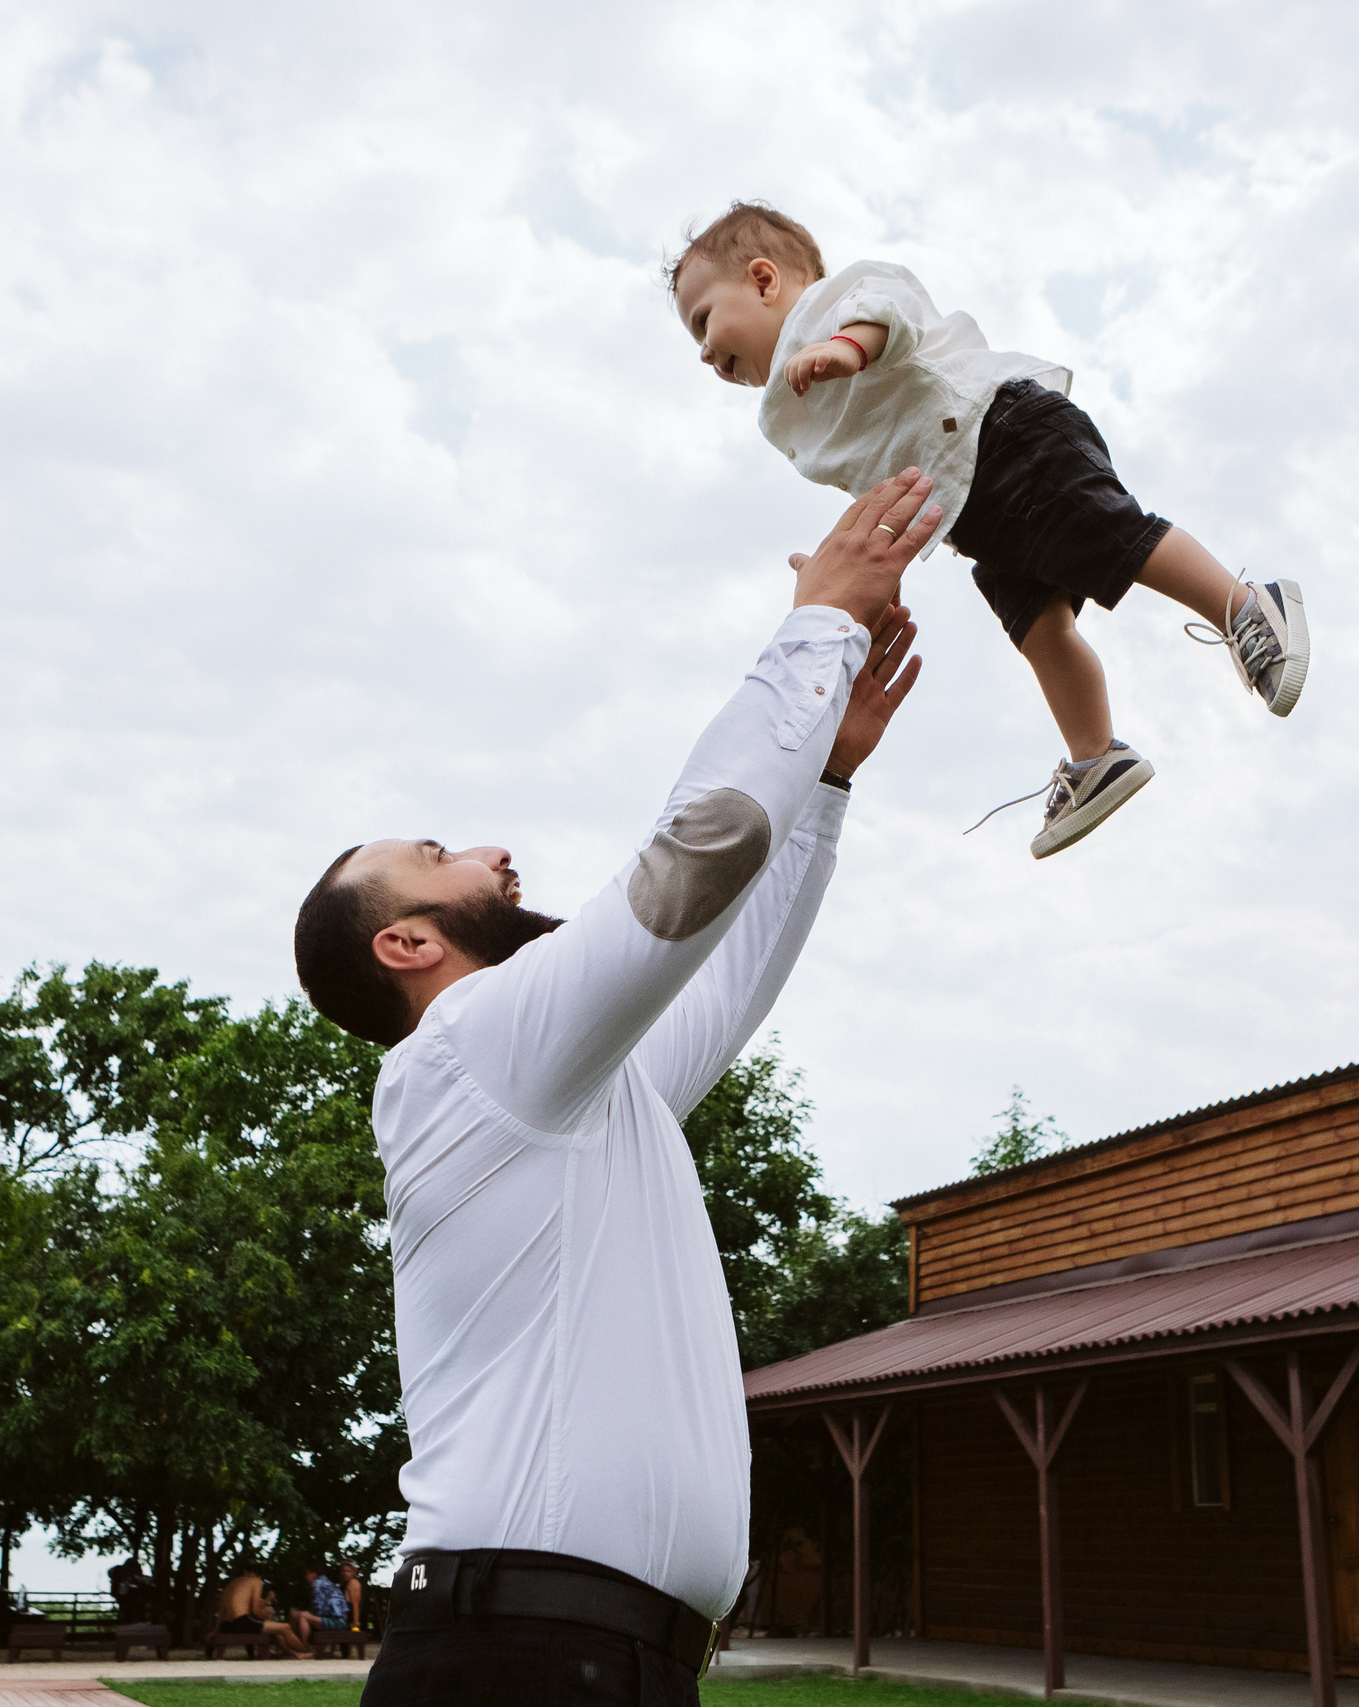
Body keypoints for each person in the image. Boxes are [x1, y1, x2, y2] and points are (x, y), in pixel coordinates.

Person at [292, 471, 933, 1704]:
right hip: (516, 1658)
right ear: (407, 946)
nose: (490, 852)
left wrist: (827, 780)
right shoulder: (466, 1052)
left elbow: (728, 959)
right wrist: (817, 626)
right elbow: (695, 862)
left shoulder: (575, 1091)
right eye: (441, 857)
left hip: (592, 1660)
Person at [668, 201, 1312, 859]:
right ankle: (1097, 757)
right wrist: (857, 562)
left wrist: (847, 345)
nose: (702, 350)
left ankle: (1246, 606)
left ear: (764, 280)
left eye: (703, 320)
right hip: (971, 507)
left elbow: (895, 309)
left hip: (1003, 433)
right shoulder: (790, 411)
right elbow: (879, 477)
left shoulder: (832, 306)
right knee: (1037, 626)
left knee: (1109, 537)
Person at [218, 1563, 308, 1659]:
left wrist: (215, 1631)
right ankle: (308, 1651)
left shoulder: (231, 1584)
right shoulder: (255, 1581)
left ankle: (295, 1654)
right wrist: (268, 1615)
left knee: (276, 1630)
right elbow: (255, 1611)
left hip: (225, 1625)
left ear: (245, 1572)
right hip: (241, 1622)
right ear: (260, 1575)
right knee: (285, 1627)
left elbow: (222, 1611)